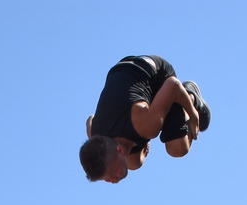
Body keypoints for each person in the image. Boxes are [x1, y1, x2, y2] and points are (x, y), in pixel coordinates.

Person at [80, 55, 209, 183]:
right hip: (122, 78)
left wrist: (193, 114)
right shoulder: (96, 138)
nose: (113, 181)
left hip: (156, 75)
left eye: (111, 174)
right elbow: (90, 120)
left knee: (178, 148)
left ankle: (190, 95)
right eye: (106, 179)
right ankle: (156, 111)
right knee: (134, 163)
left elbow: (173, 84)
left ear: (119, 150)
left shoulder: (144, 126)